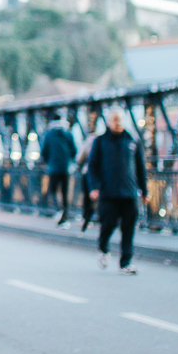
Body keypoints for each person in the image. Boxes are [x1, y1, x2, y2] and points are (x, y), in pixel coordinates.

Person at [88, 108, 147, 273]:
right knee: (108, 224)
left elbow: (140, 168)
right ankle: (103, 246)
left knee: (128, 228)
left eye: (120, 119)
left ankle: (125, 262)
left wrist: (145, 191)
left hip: (129, 192)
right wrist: (94, 187)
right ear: (108, 122)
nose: (118, 122)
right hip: (108, 193)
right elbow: (92, 166)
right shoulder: (100, 141)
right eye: (114, 119)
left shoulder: (132, 140)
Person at [40, 116, 77, 224]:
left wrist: (48, 162)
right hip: (65, 168)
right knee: (64, 192)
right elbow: (74, 150)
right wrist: (69, 160)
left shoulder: (49, 134)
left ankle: (58, 209)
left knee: (53, 190)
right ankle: (65, 212)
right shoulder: (67, 133)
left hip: (53, 167)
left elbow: (44, 151)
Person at [77, 127, 100, 231]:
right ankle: (100, 217)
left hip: (87, 173)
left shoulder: (88, 141)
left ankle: (86, 218)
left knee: (87, 197)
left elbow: (79, 158)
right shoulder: (102, 141)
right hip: (102, 174)